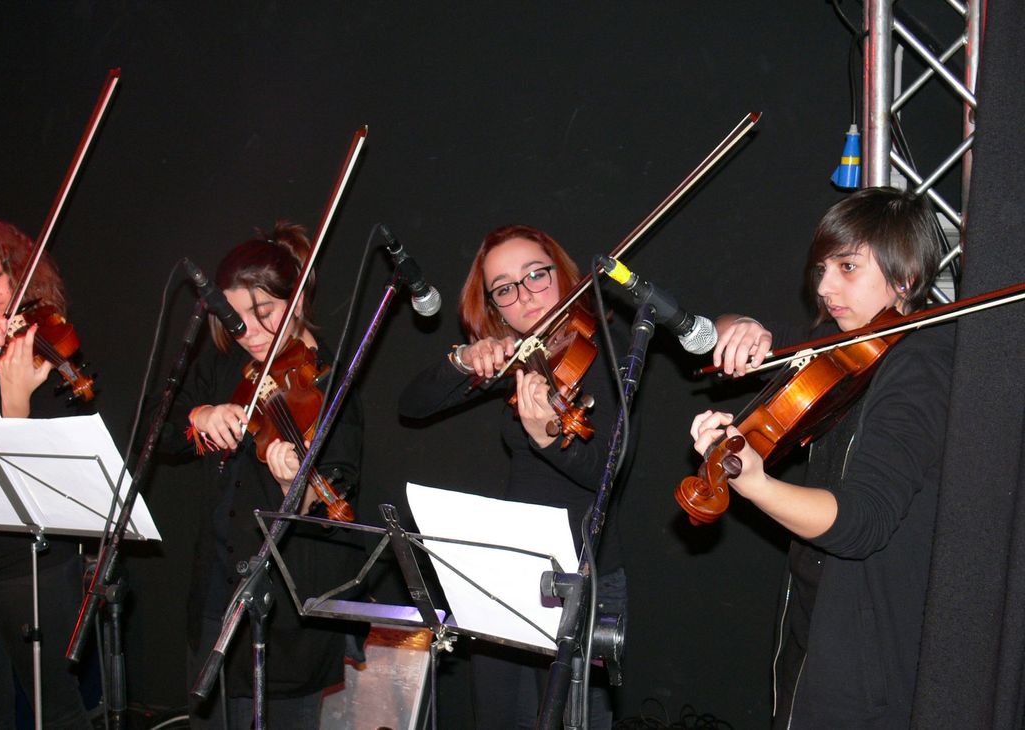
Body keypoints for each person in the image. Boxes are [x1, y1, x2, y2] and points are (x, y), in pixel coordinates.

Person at [690, 187, 953, 728]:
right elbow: (726, 333)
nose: (826, 288)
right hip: (813, 628)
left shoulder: (921, 367)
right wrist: (740, 325)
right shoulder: (844, 342)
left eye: (848, 267)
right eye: (823, 270)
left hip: (866, 659)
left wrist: (756, 483)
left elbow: (862, 523)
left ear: (905, 277)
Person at [399, 224, 628, 729]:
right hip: (510, 576)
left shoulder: (608, 351)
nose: (523, 296)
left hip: (582, 579)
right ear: (494, 306)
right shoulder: (516, 359)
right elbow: (412, 405)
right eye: (504, 288)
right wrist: (461, 361)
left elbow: (610, 472)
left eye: (535, 276)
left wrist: (549, 440)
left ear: (563, 275)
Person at [162, 222, 363, 729]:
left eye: (264, 313)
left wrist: (291, 491)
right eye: (236, 321)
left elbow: (334, 485)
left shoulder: (331, 376)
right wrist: (198, 417)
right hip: (214, 598)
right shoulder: (223, 362)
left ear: (295, 299)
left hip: (287, 616)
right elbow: (156, 433)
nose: (250, 333)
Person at [0, 218, 93, 729]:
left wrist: (15, 399)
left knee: (56, 710)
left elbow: (43, 481)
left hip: (32, 568)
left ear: (20, 273)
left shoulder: (49, 347)